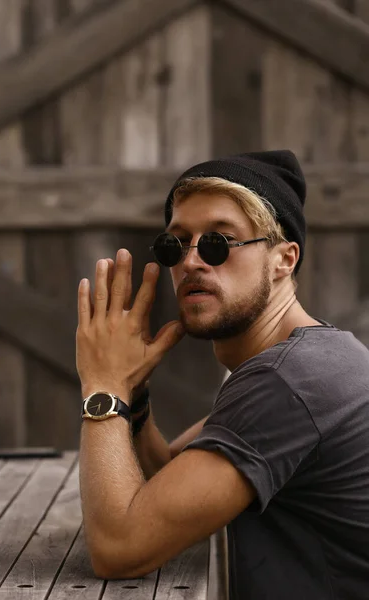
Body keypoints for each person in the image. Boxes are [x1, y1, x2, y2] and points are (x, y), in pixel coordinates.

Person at [76, 150, 369, 600]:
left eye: (219, 243)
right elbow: (168, 484)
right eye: (175, 245)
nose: (192, 262)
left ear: (284, 259)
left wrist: (103, 387)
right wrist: (131, 396)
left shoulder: (290, 382)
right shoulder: (301, 361)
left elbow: (119, 547)